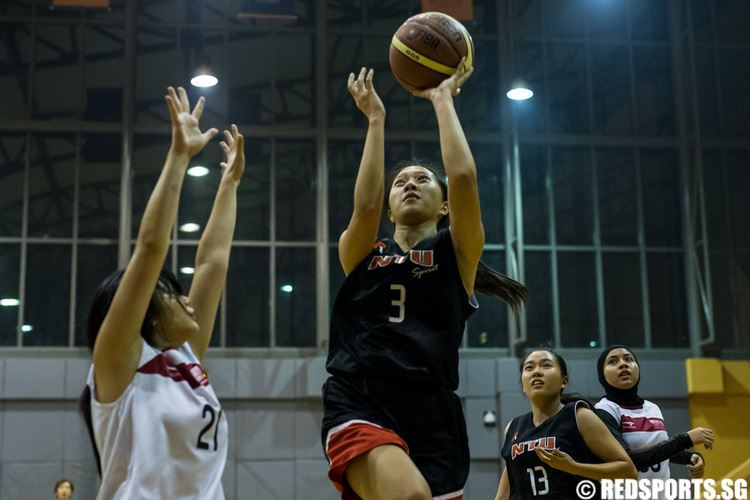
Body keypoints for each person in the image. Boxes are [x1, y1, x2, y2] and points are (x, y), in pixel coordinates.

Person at [321, 61, 528, 500]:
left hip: (433, 409)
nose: (410, 184)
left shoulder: (455, 254)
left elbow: (466, 177)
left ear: (444, 207)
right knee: (410, 495)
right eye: (400, 183)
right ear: (390, 209)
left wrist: (441, 100)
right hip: (361, 396)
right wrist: (375, 119)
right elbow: (363, 208)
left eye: (423, 180)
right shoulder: (363, 253)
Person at [78, 86, 244, 499]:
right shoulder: (118, 363)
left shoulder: (185, 358)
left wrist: (230, 184)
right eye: (173, 292)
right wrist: (178, 158)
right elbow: (151, 247)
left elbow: (213, 262)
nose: (189, 300)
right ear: (148, 311)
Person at [494, 349, 637, 500]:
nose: (536, 372)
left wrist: (574, 468)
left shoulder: (580, 417)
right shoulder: (513, 428)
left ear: (564, 381)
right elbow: (506, 491)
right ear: (523, 385)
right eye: (529, 367)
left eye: (546, 365)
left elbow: (629, 472)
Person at [594, 345, 714, 488]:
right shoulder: (604, 410)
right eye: (613, 361)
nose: (623, 364)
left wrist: (690, 457)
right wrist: (685, 439)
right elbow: (627, 461)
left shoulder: (652, 408)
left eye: (628, 359)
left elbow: (658, 449)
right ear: (602, 374)